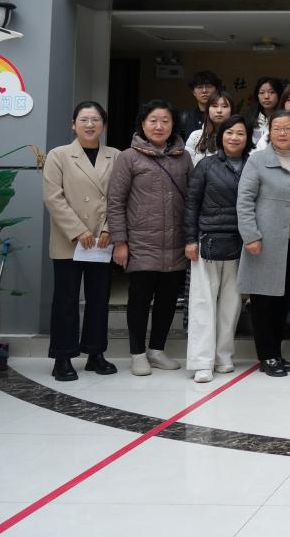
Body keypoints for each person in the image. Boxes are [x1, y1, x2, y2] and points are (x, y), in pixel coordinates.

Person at [107, 99, 192, 377]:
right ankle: (137, 354)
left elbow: (191, 200)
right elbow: (115, 202)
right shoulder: (128, 157)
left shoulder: (184, 157)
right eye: (153, 120)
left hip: (176, 243)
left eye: (165, 121)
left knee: (167, 300)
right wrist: (120, 242)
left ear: (173, 125)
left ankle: (157, 350)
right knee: (140, 300)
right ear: (142, 124)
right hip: (141, 243)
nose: (159, 126)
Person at [43, 101, 121, 381]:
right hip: (69, 240)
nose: (90, 125)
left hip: (102, 240)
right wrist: (77, 230)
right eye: (84, 119)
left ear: (103, 125)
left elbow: (120, 197)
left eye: (96, 120)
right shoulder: (58, 155)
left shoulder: (116, 156)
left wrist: (110, 228)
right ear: (73, 124)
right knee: (65, 300)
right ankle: (62, 357)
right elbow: (53, 197)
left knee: (99, 299)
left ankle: (95, 353)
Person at [237, 111, 290, 377]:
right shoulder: (257, 161)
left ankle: (276, 353)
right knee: (263, 303)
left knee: (284, 302)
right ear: (269, 132)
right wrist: (251, 236)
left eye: (288, 128)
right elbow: (244, 201)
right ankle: (267, 356)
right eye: (277, 128)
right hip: (263, 244)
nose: (282, 133)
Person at [183, 114, 251, 383]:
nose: (234, 137)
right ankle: (202, 362)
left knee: (231, 305)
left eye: (240, 133)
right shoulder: (206, 165)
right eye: (229, 132)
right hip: (207, 242)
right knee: (203, 303)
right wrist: (190, 239)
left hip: (240, 244)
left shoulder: (253, 165)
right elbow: (191, 204)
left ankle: (223, 356)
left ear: (248, 138)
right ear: (221, 137)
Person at [185, 90, 235, 165]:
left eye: (224, 106)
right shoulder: (195, 136)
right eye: (214, 106)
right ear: (208, 110)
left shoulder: (238, 136)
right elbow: (187, 166)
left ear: (231, 110)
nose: (219, 110)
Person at [179, 70, 221, 139]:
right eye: (199, 87)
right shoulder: (186, 118)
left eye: (208, 86)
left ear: (216, 90)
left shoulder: (224, 116)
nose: (204, 91)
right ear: (193, 92)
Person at [247, 76, 285, 148]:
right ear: (257, 96)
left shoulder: (286, 120)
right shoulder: (250, 120)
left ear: (279, 94)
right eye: (262, 92)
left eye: (272, 92)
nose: (266, 96)